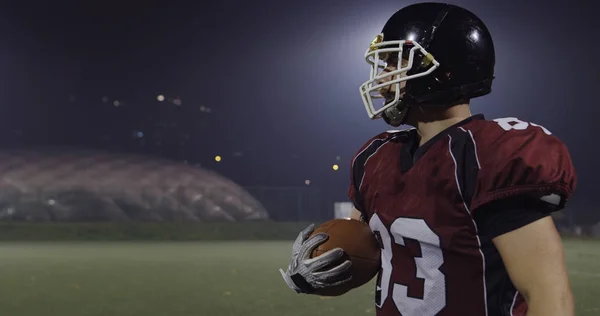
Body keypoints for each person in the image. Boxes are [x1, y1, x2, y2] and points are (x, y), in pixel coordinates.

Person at [279, 2, 577, 316]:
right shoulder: (376, 158)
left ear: (444, 71)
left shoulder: (488, 155)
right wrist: (318, 268)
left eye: (395, 62)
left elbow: (548, 296)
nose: (382, 76)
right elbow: (360, 250)